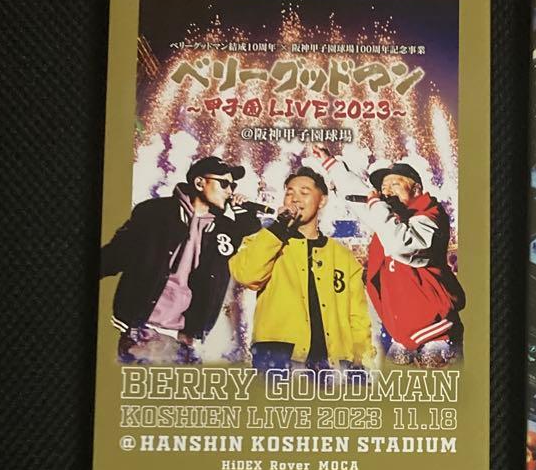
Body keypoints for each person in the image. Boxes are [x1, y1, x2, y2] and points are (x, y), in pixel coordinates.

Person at [100, 156, 262, 362]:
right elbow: (117, 253)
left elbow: (250, 236)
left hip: (186, 340)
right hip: (143, 331)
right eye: (224, 183)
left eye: (233, 185)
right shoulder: (155, 213)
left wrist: (244, 212)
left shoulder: (222, 229)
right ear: (199, 183)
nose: (230, 191)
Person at [316, 149, 465, 366]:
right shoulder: (389, 217)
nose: (387, 192)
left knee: (442, 382)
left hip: (436, 328)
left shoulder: (429, 215)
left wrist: (377, 206)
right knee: (397, 382)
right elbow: (363, 199)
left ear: (416, 188)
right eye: (383, 188)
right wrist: (332, 165)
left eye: (395, 184)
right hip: (401, 331)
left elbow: (401, 244)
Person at [228, 167, 375, 371]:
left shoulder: (343, 257)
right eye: (289, 193)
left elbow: (358, 317)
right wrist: (279, 227)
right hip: (276, 357)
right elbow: (246, 275)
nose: (295, 199)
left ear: (322, 201)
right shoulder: (265, 241)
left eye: (304, 192)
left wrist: (361, 361)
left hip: (331, 362)